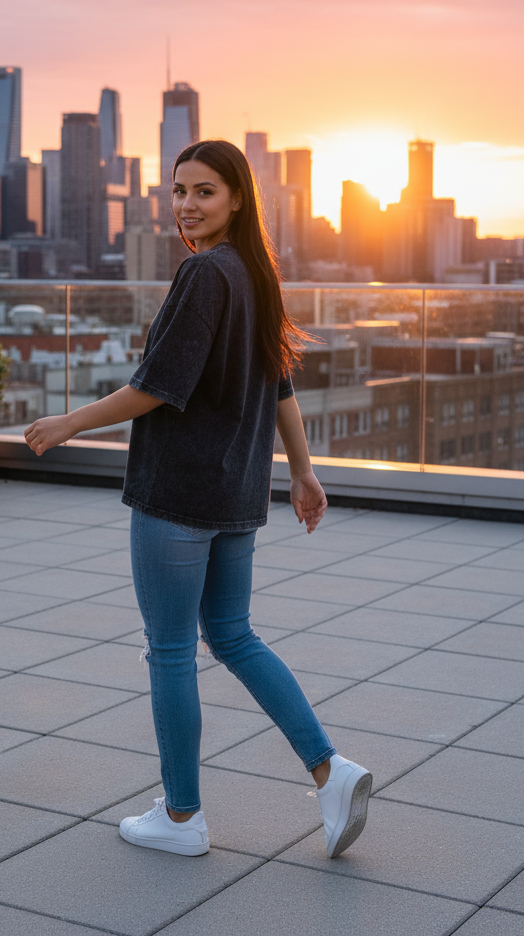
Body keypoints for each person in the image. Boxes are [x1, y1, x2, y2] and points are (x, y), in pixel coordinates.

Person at [24, 139, 372, 858]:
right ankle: (330, 771)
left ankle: (182, 819)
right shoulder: (256, 275)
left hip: (178, 494)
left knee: (172, 651)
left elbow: (157, 387)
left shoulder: (204, 275)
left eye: (203, 192)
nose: (186, 206)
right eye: (178, 192)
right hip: (237, 495)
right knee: (234, 636)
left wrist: (68, 422)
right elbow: (281, 389)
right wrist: (302, 472)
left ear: (238, 198)